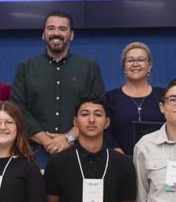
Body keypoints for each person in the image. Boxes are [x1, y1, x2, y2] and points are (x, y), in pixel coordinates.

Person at [11, 11, 107, 167]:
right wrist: (46, 140)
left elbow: (99, 107)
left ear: (72, 35)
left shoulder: (89, 67)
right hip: (35, 153)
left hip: (79, 149)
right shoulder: (26, 67)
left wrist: (68, 138)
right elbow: (17, 108)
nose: (56, 33)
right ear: (43, 34)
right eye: (51, 28)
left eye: (62, 29)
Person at [104, 42, 164, 154]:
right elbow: (105, 131)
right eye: (130, 60)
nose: (135, 64)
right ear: (124, 67)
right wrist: (117, 153)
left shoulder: (163, 96)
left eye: (141, 60)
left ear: (149, 65)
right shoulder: (110, 98)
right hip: (120, 162)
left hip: (159, 161)